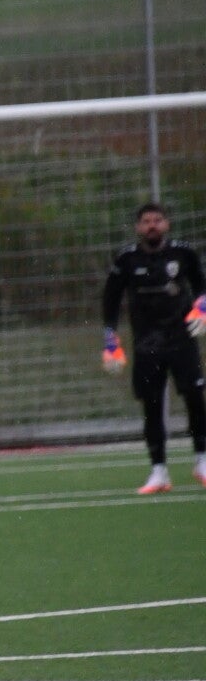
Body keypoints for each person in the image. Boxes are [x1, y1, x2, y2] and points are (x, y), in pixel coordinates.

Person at [101, 202, 206, 493]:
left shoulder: (183, 254)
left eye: (157, 220)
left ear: (166, 224)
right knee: (152, 404)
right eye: (146, 221)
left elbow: (201, 285)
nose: (152, 226)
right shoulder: (127, 259)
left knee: (195, 397)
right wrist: (110, 338)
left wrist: (202, 307)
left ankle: (202, 460)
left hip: (182, 339)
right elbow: (110, 299)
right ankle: (158, 471)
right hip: (147, 343)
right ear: (138, 227)